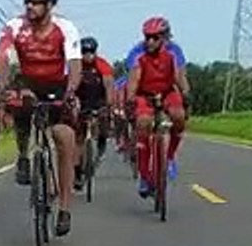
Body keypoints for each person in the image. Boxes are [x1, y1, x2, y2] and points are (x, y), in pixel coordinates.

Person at [0, 0, 82, 236]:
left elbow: (74, 65)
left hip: (57, 85)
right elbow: (1, 57)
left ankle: (64, 207)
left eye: (36, 2)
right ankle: (23, 154)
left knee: (64, 137)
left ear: (50, 5)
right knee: (19, 104)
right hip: (27, 82)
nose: (30, 6)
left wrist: (71, 92)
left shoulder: (65, 28)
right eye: (27, 1)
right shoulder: (15, 26)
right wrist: (2, 86)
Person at [125, 16, 191, 198]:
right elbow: (133, 79)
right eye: (147, 37)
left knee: (178, 116)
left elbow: (179, 76)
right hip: (145, 93)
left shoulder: (173, 53)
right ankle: (145, 176)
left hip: (167, 91)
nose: (150, 41)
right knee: (144, 123)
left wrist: (186, 94)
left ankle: (169, 157)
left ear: (165, 37)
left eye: (155, 37)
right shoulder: (138, 54)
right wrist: (130, 100)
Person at [73, 35, 114, 190]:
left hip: (99, 99)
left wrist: (108, 104)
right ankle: (77, 172)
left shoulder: (102, 65)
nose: (87, 55)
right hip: (81, 100)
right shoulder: (76, 65)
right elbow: (70, 85)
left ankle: (101, 143)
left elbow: (109, 85)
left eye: (90, 52)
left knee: (103, 121)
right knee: (79, 137)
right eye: (84, 52)